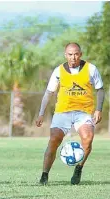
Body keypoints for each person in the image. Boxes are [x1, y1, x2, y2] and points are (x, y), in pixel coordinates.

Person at [36, 43, 105, 185]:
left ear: (80, 54)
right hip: (63, 111)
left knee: (88, 138)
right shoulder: (58, 71)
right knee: (54, 139)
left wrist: (98, 109)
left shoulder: (91, 69)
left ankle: (79, 168)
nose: (73, 57)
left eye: (76, 54)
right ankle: (44, 175)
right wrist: (41, 113)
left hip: (84, 112)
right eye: (70, 54)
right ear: (65, 55)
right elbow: (49, 93)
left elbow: (100, 89)